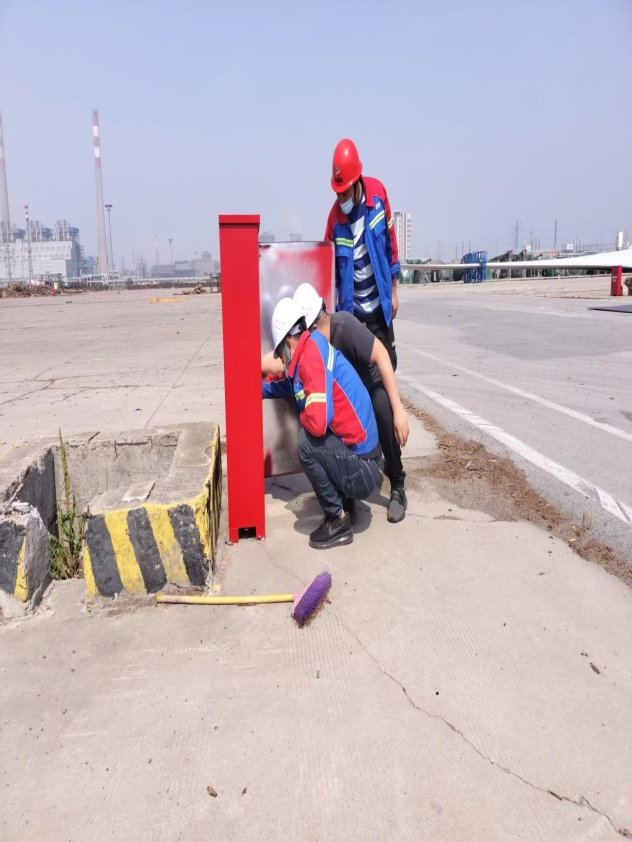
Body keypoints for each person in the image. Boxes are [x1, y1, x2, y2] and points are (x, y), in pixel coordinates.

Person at [262, 298, 381, 550]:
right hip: (364, 460)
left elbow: (316, 424)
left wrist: (303, 411)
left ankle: (337, 521)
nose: (282, 360)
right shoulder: (312, 347)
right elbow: (292, 386)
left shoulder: (311, 358)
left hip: (364, 471)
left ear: (288, 343)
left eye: (280, 354)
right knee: (318, 430)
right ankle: (346, 504)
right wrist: (258, 388)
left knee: (306, 442)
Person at [293, 283, 409, 523]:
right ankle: (346, 492)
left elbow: (381, 355)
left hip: (370, 388)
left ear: (312, 327)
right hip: (347, 400)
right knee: (325, 418)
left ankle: (397, 483)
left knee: (383, 409)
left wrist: (398, 410)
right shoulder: (316, 345)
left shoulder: (344, 327)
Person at [325, 138, 400, 370]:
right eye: (337, 194)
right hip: (354, 314)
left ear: (357, 181)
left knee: (388, 365)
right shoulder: (334, 221)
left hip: (379, 306)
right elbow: (329, 275)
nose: (341, 200)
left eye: (345, 193)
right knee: (358, 374)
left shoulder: (378, 196)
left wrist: (394, 292)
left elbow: (391, 246)